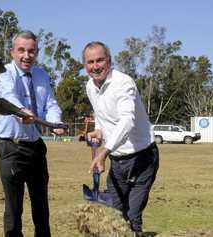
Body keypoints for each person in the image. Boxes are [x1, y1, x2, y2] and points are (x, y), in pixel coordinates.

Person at [82, 41, 159, 237]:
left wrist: (103, 153)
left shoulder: (123, 83)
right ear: (85, 65)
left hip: (142, 157)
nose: (95, 66)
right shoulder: (90, 86)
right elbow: (100, 114)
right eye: (90, 62)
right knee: (115, 213)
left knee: (132, 214)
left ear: (109, 61)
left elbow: (127, 121)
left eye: (100, 60)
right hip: (117, 160)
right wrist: (98, 130)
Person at [0, 30, 64, 237]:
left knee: (41, 204)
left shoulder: (42, 75)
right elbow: (9, 99)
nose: (26, 56)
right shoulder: (3, 73)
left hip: (36, 146)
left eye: (31, 51)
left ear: (37, 52)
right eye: (21, 50)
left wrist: (54, 122)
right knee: (14, 206)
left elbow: (50, 103)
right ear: (12, 51)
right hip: (10, 146)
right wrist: (23, 112)